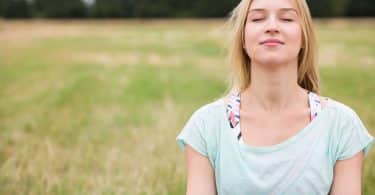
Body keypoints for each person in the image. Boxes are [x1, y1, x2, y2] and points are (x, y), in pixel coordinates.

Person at [176, 0, 374, 194]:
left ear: (304, 36)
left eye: (287, 19)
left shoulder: (342, 126)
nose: (272, 27)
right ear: (243, 38)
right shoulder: (206, 126)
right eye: (258, 19)